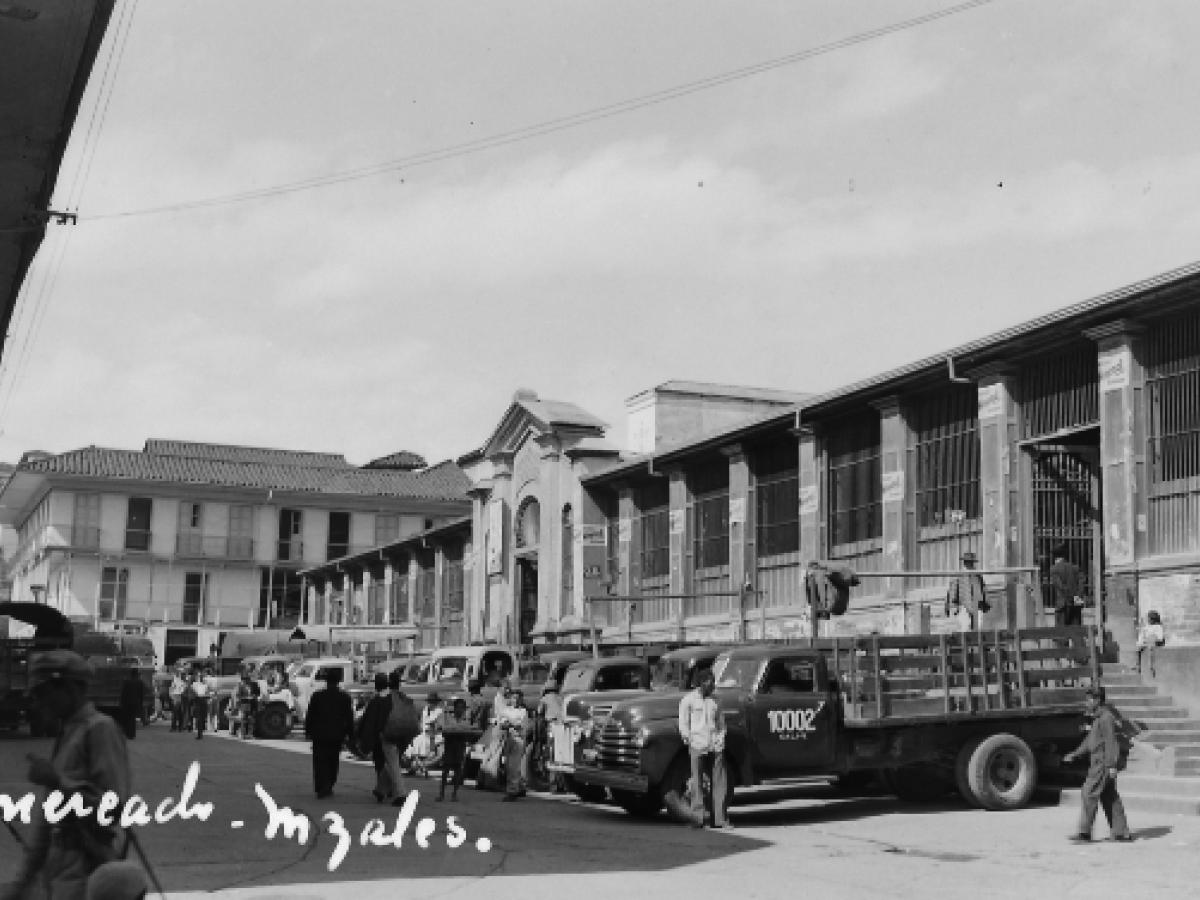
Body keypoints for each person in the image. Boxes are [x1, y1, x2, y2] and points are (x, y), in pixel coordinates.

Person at [0, 650, 132, 900]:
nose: (38, 704)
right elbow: (47, 820)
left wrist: (58, 781)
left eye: (43, 694)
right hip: (59, 874)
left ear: (69, 688)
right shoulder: (68, 732)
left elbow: (113, 808)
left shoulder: (100, 729)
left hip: (88, 875)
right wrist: (24, 880)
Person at [1063, 686, 1132, 843]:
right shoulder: (1097, 718)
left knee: (1089, 793)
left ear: (1098, 700)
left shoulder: (1106, 718)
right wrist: (1075, 754)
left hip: (1102, 764)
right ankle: (1121, 833)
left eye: (1089, 700)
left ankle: (1084, 834)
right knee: (1109, 796)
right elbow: (1090, 741)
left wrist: (1112, 765)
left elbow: (1110, 741)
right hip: (1099, 762)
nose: (1087, 703)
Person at [677, 668, 729, 829]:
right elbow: (683, 724)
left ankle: (720, 819)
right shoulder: (688, 700)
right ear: (701, 683)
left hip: (715, 745)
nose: (713, 685)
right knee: (697, 783)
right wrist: (689, 740)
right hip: (697, 745)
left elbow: (721, 724)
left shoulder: (716, 701)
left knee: (720, 783)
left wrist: (720, 739)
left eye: (713, 681)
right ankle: (698, 819)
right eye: (710, 682)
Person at [304, 667, 356, 799]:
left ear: (326, 681)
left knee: (320, 761)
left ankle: (321, 785)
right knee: (333, 761)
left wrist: (308, 731)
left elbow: (310, 715)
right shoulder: (345, 698)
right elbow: (349, 718)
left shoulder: (317, 696)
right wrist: (351, 735)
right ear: (338, 681)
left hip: (319, 735)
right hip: (336, 735)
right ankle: (329, 784)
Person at [356, 672, 395, 803]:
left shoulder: (375, 702)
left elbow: (368, 722)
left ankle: (381, 788)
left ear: (377, 685)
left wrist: (362, 738)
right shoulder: (394, 700)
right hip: (393, 736)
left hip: (379, 738)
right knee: (391, 763)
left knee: (379, 764)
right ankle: (389, 788)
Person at [438, 697, 476, 802]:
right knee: (445, 770)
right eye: (458, 707)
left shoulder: (466, 720)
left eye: (462, 708)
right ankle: (441, 793)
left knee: (458, 769)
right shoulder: (448, 717)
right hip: (449, 745)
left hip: (460, 746)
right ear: (454, 708)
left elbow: (469, 731)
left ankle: (454, 793)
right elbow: (442, 728)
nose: (460, 710)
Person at [499, 688, 530, 801]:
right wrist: (509, 724)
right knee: (509, 765)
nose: (516, 700)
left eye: (518, 698)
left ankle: (512, 791)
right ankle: (520, 787)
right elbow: (502, 724)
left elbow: (519, 725)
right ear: (510, 699)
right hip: (508, 739)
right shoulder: (506, 710)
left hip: (518, 740)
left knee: (513, 766)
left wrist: (509, 723)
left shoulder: (523, 712)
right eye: (514, 698)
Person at [945, 550, 988, 631]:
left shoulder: (977, 576)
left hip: (977, 606)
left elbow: (983, 590)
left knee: (978, 628)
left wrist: (984, 604)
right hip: (963, 607)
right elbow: (952, 593)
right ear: (964, 563)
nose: (970, 565)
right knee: (966, 627)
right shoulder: (958, 576)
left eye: (971, 563)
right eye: (968, 562)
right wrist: (953, 607)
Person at [1049, 544, 1085, 627]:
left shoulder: (1054, 569)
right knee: (1077, 634)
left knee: (1061, 635)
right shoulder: (1075, 568)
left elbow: (1060, 586)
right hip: (1076, 603)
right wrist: (1076, 597)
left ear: (1055, 557)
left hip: (1063, 604)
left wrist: (1068, 598)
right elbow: (1081, 585)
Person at [1135, 610, 1166, 677]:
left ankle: (1151, 666)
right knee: (1138, 648)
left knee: (1150, 648)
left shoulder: (1158, 627)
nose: (1148, 620)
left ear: (1153, 619)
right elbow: (1142, 636)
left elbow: (1159, 637)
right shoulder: (1146, 627)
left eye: (1149, 618)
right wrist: (1141, 641)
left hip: (1155, 642)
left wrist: (1152, 639)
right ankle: (1138, 665)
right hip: (1147, 641)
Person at [117, 668, 146, 740]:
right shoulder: (140, 682)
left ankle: (127, 733)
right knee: (132, 718)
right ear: (136, 674)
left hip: (127, 703)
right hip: (135, 703)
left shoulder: (126, 682)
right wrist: (141, 704)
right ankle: (132, 734)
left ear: (131, 674)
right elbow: (141, 694)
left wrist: (121, 702)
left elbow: (123, 693)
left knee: (127, 718)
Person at [233, 671, 261, 739]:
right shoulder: (240, 685)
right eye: (245, 679)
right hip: (244, 703)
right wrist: (243, 698)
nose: (247, 680)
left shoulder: (254, 684)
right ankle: (242, 733)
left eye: (248, 679)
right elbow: (238, 695)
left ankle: (250, 734)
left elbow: (258, 693)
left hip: (252, 703)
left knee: (251, 719)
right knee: (243, 719)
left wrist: (254, 696)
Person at [190, 670, 210, 739]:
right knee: (201, 718)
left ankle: (200, 733)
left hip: (199, 700)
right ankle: (200, 733)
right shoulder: (203, 685)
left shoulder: (195, 684)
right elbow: (207, 693)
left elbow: (193, 692)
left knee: (199, 718)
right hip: (202, 700)